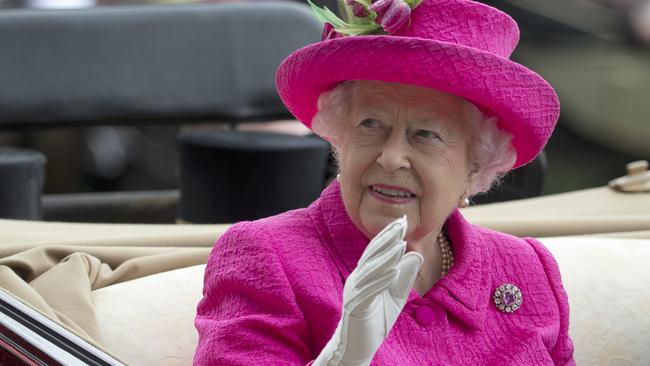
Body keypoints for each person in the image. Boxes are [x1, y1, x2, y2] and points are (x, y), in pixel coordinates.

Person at [194, 0, 575, 364]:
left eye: (426, 134)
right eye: (370, 124)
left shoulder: (527, 267)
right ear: (340, 138)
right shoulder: (267, 256)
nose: (391, 157)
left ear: (475, 164)